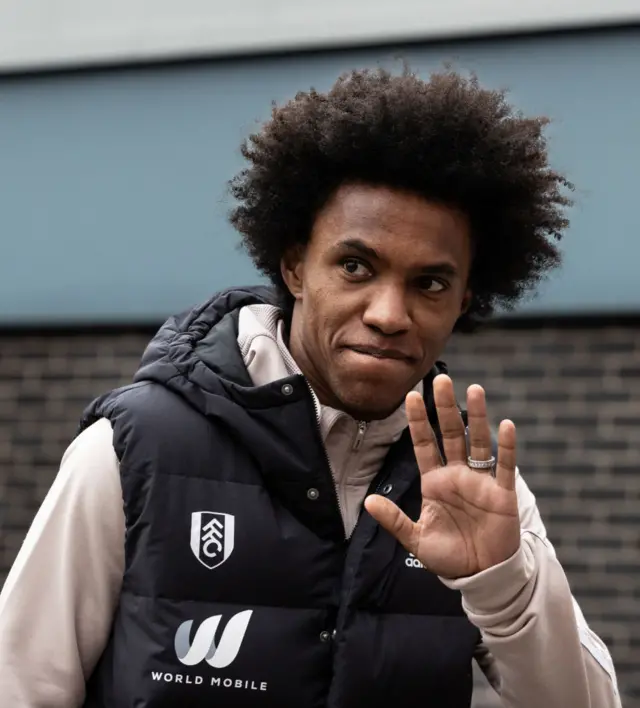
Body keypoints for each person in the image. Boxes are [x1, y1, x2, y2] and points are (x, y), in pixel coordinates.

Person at [0, 67, 621, 708]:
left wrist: (502, 583)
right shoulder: (133, 451)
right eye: (355, 266)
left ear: (465, 299)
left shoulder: (479, 488)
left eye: (429, 284)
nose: (388, 312)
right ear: (295, 266)